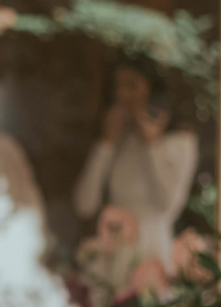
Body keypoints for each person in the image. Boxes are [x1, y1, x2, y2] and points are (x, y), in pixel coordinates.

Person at [72, 57, 198, 291]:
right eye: (117, 86)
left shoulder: (180, 143)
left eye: (131, 85)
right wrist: (106, 144)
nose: (121, 94)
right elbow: (84, 205)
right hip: (113, 256)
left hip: (152, 256)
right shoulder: (119, 141)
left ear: (153, 90)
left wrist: (152, 145)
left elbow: (169, 206)